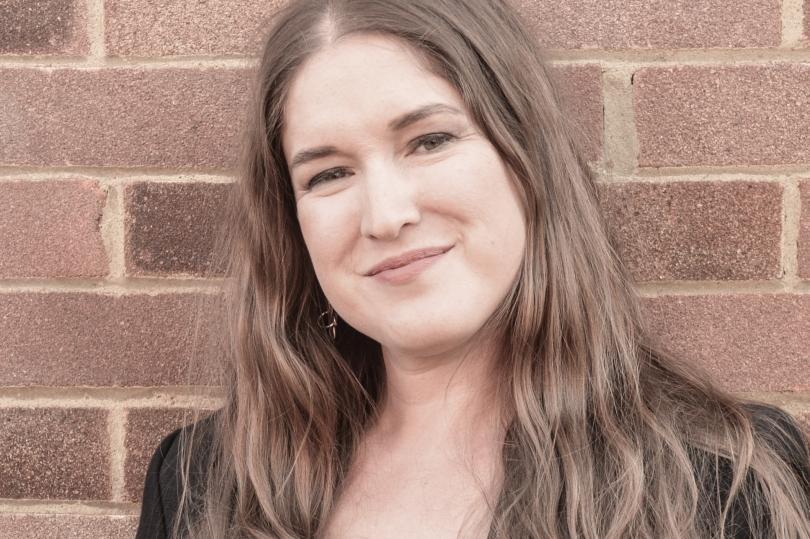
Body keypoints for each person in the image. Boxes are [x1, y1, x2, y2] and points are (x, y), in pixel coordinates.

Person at [135, 0, 810, 537]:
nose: (386, 214)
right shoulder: (203, 483)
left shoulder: (726, 479)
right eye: (329, 173)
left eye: (429, 140)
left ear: (526, 157)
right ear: (292, 220)